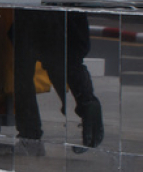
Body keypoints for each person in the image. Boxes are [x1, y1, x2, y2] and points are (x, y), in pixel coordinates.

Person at [13, 9, 104, 156]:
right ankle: (29, 136)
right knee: (31, 70)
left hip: (49, 15)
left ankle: (30, 136)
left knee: (54, 65)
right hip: (49, 15)